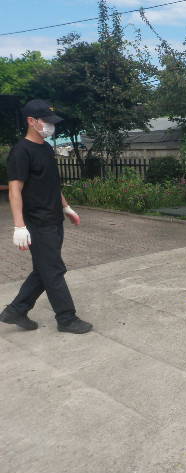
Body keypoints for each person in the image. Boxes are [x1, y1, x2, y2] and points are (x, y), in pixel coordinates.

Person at [0, 99, 92, 334]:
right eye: (46, 121)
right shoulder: (21, 152)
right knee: (54, 270)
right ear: (31, 121)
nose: (51, 126)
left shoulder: (46, 148)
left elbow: (51, 184)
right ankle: (66, 318)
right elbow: (14, 190)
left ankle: (16, 310)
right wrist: (19, 226)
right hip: (38, 222)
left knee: (44, 269)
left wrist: (66, 207)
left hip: (54, 219)